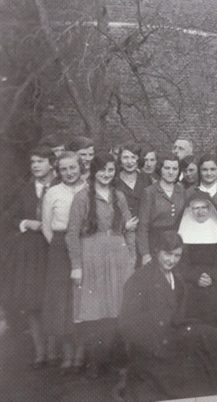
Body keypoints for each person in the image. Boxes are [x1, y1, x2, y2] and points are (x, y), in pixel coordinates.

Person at [118, 231, 217, 400]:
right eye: (167, 254)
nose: (172, 260)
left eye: (177, 255)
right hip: (151, 343)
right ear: (157, 252)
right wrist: (156, 340)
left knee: (214, 336)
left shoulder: (175, 275)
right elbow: (127, 324)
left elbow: (178, 312)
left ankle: (210, 383)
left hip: (172, 332)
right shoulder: (139, 279)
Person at [66, 152, 137, 378]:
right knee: (94, 310)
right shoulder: (82, 197)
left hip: (118, 256)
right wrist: (76, 266)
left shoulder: (119, 196)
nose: (106, 174)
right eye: (102, 170)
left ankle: (117, 360)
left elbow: (130, 228)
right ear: (93, 172)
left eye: (110, 170)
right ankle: (95, 362)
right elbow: (71, 234)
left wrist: (132, 257)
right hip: (92, 255)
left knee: (118, 309)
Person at [4, 145, 55, 369]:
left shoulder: (61, 186)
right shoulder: (24, 189)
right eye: (33, 162)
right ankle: (40, 353)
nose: (35, 166)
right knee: (33, 302)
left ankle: (56, 352)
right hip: (32, 251)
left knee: (52, 299)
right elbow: (9, 216)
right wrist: (26, 223)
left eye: (40, 161)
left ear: (51, 163)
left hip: (53, 249)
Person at [41, 151, 87, 373]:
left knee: (82, 299)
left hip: (85, 245)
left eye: (73, 167)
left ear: (80, 167)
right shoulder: (52, 192)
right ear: (58, 171)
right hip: (60, 249)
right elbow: (46, 226)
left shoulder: (89, 188)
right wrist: (61, 249)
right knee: (62, 302)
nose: (69, 173)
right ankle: (68, 353)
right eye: (64, 169)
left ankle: (82, 353)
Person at [176, 191, 217, 327]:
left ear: (210, 208)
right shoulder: (182, 231)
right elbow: (179, 263)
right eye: (196, 208)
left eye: (204, 207)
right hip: (190, 282)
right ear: (190, 210)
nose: (200, 211)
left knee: (214, 305)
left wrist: (213, 278)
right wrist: (195, 277)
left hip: (215, 283)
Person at [136, 154, 186, 266]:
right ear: (160, 169)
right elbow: (143, 226)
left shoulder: (181, 191)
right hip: (155, 244)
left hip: (175, 244)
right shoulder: (150, 192)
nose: (171, 172)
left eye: (175, 169)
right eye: (167, 168)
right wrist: (145, 254)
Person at [114, 143, 153, 218]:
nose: (129, 162)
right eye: (125, 157)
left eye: (133, 157)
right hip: (121, 226)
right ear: (120, 159)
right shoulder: (114, 179)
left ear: (138, 159)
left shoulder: (146, 178)